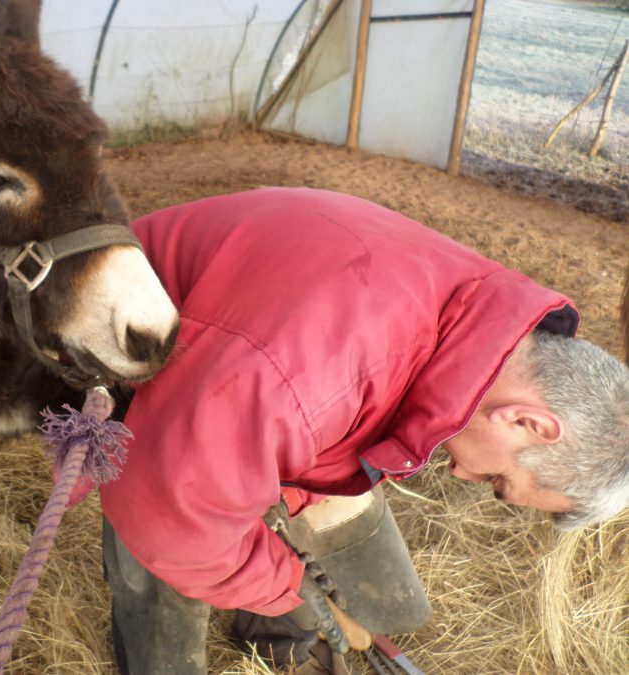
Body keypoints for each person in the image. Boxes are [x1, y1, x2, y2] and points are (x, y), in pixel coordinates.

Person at [69, 188, 629, 674]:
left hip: (245, 374)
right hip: (115, 350)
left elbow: (332, 402)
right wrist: (289, 589)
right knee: (180, 548)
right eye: (497, 480)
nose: (462, 473)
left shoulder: (491, 326)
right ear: (529, 421)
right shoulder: (309, 376)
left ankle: (280, 637)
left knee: (280, 509)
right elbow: (167, 513)